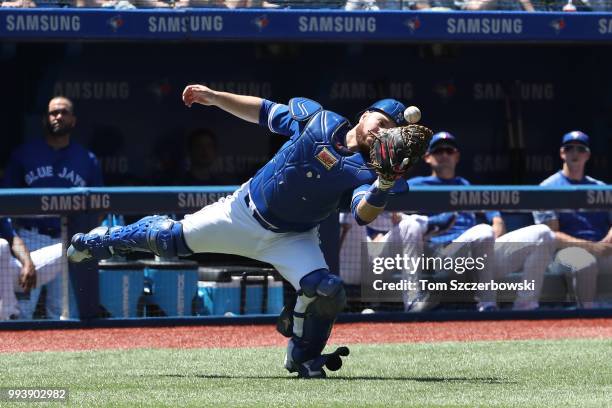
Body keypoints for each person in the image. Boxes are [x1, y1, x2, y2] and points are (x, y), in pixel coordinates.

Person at [67, 84, 432, 378]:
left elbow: (363, 214)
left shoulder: (371, 173)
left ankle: (302, 356)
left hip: (294, 237)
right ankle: (100, 242)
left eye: (392, 134)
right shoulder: (318, 121)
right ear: (366, 114)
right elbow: (262, 111)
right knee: (168, 240)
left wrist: (384, 183)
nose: (385, 135)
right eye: (382, 125)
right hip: (241, 213)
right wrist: (214, 98)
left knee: (329, 290)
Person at [367, 132, 555, 312]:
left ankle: (525, 307)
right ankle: (487, 305)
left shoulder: (466, 186)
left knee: (543, 233)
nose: (444, 155)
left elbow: (497, 223)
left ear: (457, 156)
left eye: (449, 151)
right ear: (428, 158)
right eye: (438, 151)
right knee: (481, 231)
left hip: (479, 256)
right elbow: (389, 210)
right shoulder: (416, 184)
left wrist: (492, 233)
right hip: (443, 257)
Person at [3, 96, 103, 319]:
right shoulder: (24, 154)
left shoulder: (87, 159)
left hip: (67, 241)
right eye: (53, 112)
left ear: (73, 120)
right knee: (23, 312)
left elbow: (99, 205)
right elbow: (6, 202)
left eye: (64, 112)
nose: (58, 116)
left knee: (64, 313)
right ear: (44, 119)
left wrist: (82, 237)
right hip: (30, 239)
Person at [534, 131, 612, 308]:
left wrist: (607, 241)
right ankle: (587, 321)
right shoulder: (548, 187)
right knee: (585, 262)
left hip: (602, 248)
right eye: (569, 148)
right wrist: (592, 247)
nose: (574, 153)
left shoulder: (599, 187)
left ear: (587, 154)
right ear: (562, 153)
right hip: (563, 254)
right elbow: (552, 235)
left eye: (580, 149)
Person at [0, 218, 64, 320]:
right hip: (32, 235)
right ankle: (6, 317)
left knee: (59, 308)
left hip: (62, 234)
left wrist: (27, 263)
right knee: (25, 310)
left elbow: (13, 238)